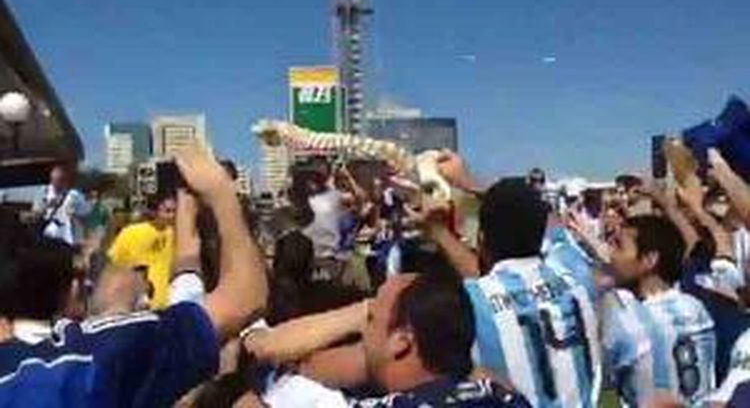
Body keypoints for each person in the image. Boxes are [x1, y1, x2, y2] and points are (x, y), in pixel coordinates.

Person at [0, 146, 268, 407]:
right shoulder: (102, 358)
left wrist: (186, 202)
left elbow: (187, 263)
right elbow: (244, 299)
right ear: (72, 290)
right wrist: (221, 193)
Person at [427, 153, 602, 407]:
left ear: (482, 240)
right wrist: (470, 182)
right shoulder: (578, 278)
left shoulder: (468, 303)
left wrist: (438, 231)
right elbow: (544, 219)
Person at [241, 273, 530, 407]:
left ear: (401, 341)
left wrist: (353, 314)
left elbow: (260, 350)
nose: (364, 333)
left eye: (371, 320)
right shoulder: (502, 393)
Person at [602, 215, 717, 406]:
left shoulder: (632, 321)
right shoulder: (696, 307)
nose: (610, 254)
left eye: (618, 246)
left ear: (649, 260)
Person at [107, 193, 177, 309]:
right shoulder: (130, 233)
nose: (172, 216)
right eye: (167, 211)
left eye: (174, 211)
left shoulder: (176, 235)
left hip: (168, 303)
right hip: (140, 304)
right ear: (154, 212)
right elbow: (115, 266)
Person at [33, 163, 91, 247]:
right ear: (52, 180)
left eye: (62, 180)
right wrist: (46, 206)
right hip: (49, 238)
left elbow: (87, 215)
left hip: (70, 240)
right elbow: (35, 213)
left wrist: (75, 214)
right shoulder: (43, 193)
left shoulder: (75, 195)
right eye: (56, 180)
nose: (59, 183)